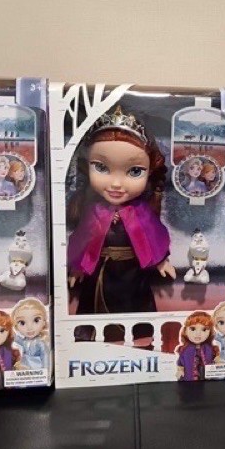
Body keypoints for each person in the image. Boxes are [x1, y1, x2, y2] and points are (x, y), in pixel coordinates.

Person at [67, 105, 176, 325]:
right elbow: (82, 238)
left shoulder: (141, 211)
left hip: (132, 273)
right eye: (101, 168)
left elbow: (153, 235)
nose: (116, 183)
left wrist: (161, 261)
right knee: (96, 312)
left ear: (150, 171)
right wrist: (78, 267)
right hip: (100, 271)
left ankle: (139, 335)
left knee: (135, 309)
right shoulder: (94, 211)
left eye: (134, 171)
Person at [175, 311, 219, 381]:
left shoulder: (210, 349)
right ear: (185, 331)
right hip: (189, 380)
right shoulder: (185, 349)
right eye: (193, 329)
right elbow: (180, 363)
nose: (198, 334)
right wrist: (180, 371)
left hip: (208, 380)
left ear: (210, 332)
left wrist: (219, 362)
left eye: (204, 329)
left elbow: (216, 359)